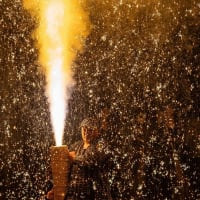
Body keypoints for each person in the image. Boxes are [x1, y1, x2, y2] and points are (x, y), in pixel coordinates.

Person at [47, 118, 112, 200]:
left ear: (96, 131)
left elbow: (92, 160)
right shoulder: (76, 146)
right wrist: (56, 189)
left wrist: (74, 158)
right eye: (84, 130)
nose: (86, 133)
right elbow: (66, 168)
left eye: (89, 130)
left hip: (94, 194)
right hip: (74, 195)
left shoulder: (101, 145)